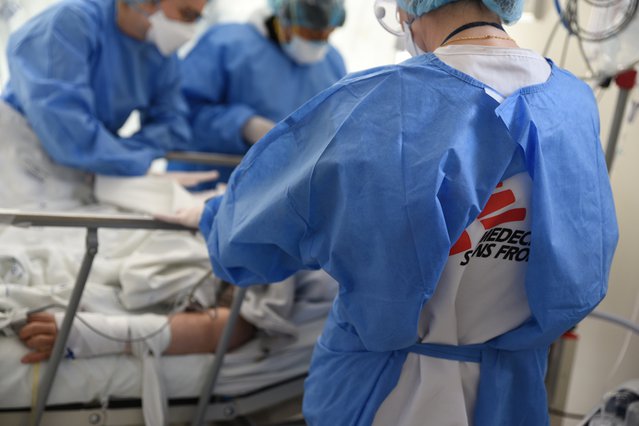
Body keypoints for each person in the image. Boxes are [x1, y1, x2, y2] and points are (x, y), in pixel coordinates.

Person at [161, 0, 619, 423]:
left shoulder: (383, 104)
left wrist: (213, 217)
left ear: (406, 7)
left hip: (384, 394)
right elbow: (581, 272)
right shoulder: (574, 105)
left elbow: (243, 237)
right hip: (510, 396)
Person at [0, 0, 205, 209]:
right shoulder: (70, 23)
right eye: (187, 14)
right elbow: (66, 131)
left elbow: (173, 126)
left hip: (89, 165)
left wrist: (123, 155)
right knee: (26, 234)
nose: (190, 28)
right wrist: (131, 161)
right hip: (24, 153)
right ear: (147, 3)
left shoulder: (160, 54)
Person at [169, 0, 347, 185]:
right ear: (283, 18)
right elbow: (179, 114)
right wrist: (244, 126)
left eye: (328, 33)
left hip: (283, 192)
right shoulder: (227, 44)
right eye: (309, 32)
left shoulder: (331, 63)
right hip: (209, 184)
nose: (319, 40)